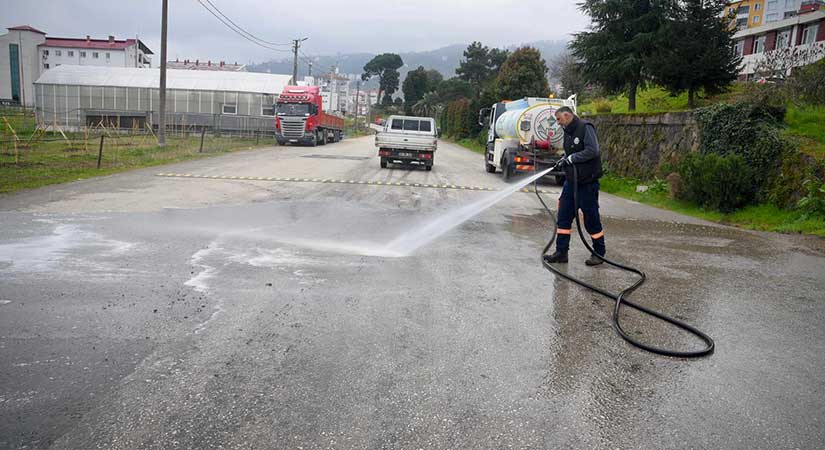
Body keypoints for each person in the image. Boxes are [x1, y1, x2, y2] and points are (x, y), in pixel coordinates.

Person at [543, 106, 606, 266]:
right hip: (571, 182)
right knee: (563, 216)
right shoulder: (568, 131)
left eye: (558, 119)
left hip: (587, 183)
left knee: (591, 218)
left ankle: (599, 253)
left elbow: (593, 150)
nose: (557, 123)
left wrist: (572, 158)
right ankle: (561, 252)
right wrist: (563, 159)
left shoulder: (585, 127)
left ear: (567, 115)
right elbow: (569, 152)